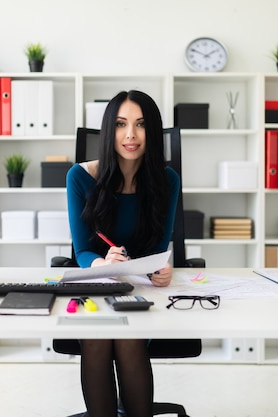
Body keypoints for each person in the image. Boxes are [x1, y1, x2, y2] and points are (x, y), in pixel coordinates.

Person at [66, 90, 180, 417]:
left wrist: (163, 268)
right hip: (96, 285)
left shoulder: (166, 181)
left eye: (141, 124)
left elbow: (160, 247)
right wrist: (103, 263)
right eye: (120, 124)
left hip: (140, 290)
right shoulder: (80, 177)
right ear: (109, 131)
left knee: (128, 335)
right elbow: (83, 250)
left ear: (153, 131)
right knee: (99, 335)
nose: (130, 135)